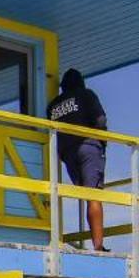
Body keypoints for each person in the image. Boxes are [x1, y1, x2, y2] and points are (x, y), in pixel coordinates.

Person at [48, 68, 109, 252]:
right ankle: (98, 246)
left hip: (67, 153)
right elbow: (100, 120)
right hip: (88, 147)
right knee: (94, 196)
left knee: (85, 195)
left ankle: (92, 242)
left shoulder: (52, 106)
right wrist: (103, 141)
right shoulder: (86, 95)